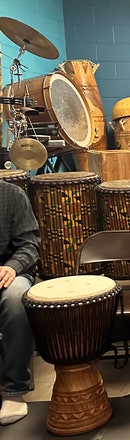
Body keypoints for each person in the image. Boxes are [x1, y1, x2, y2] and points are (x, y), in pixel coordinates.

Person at [0, 180, 40, 425]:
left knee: (16, 301)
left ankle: (14, 391)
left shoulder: (12, 195)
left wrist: (11, 268)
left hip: (9, 273)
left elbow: (29, 245)